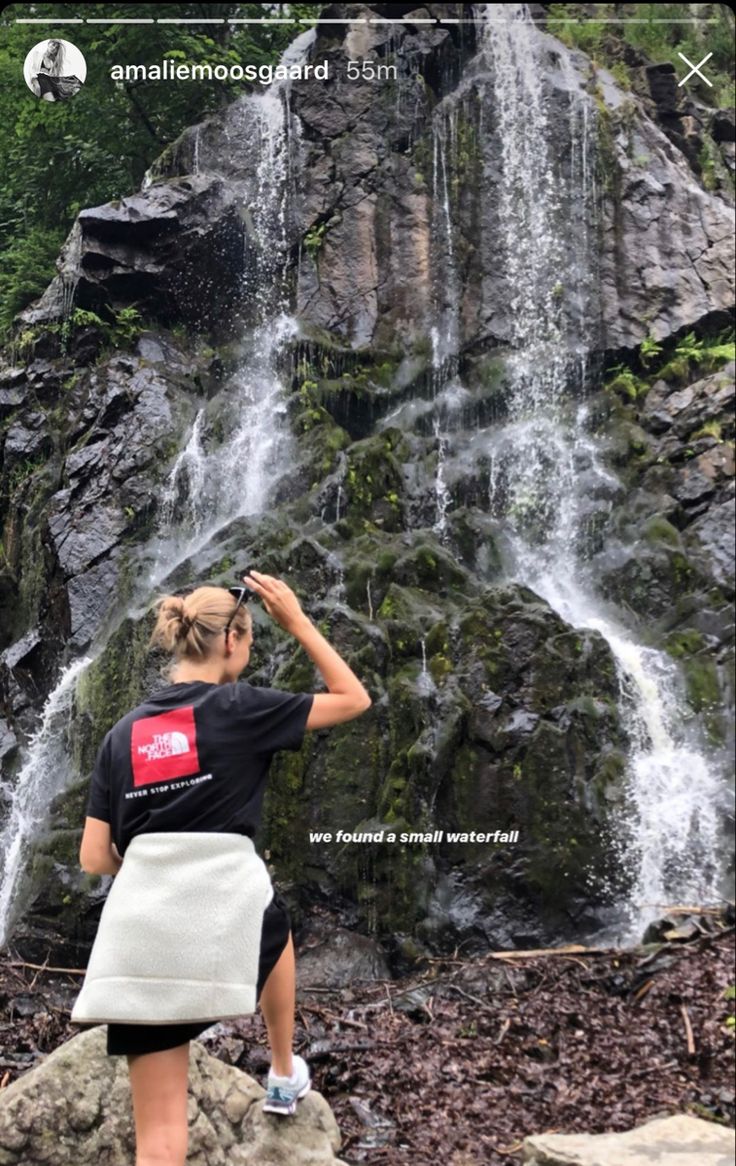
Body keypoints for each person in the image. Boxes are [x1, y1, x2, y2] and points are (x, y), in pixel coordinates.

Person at [75, 568, 371, 1166]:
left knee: (158, 1144)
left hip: (143, 944)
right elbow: (353, 699)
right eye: (254, 639)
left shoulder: (122, 734)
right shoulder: (239, 708)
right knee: (270, 911)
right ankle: (284, 1070)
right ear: (231, 641)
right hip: (221, 916)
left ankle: (283, 1072)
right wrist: (297, 622)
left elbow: (92, 858)